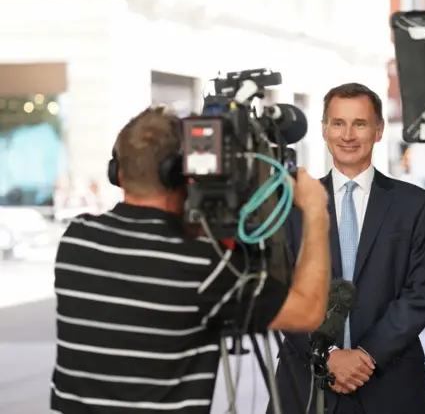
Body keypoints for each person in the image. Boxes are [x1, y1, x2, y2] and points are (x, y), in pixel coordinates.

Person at [50, 105, 331, 414]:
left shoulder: (76, 240)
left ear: (117, 172)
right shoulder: (202, 266)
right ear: (179, 172)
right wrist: (316, 212)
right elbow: (307, 313)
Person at [271, 83, 425, 414]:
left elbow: (421, 293)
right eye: (338, 123)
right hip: (306, 382)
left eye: (359, 124)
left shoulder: (415, 205)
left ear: (378, 130)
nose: (347, 135)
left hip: (391, 381)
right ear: (324, 130)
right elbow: (278, 290)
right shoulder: (289, 204)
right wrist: (329, 354)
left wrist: (367, 355)